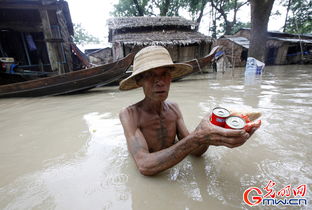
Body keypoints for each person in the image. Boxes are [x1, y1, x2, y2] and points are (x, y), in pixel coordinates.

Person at [119, 46, 261, 176]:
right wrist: (198, 137)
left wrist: (210, 132)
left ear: (171, 78)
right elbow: (144, 165)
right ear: (139, 81)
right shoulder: (129, 115)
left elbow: (196, 152)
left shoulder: (173, 109)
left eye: (164, 74)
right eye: (150, 75)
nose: (160, 81)